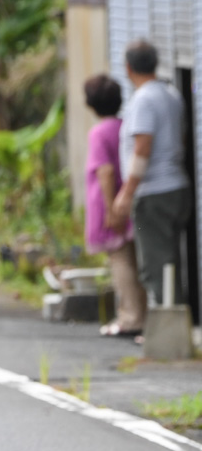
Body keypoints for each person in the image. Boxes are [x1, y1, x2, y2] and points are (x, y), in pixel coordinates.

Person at [112, 39, 192, 308]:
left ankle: (167, 331)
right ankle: (174, 320)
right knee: (170, 260)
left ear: (128, 67)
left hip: (154, 193)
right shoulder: (171, 94)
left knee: (156, 264)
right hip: (178, 186)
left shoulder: (144, 99)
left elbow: (143, 148)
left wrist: (126, 194)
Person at [84, 75, 146, 337]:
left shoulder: (99, 132)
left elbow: (106, 172)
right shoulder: (123, 125)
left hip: (110, 203)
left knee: (120, 260)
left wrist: (111, 208)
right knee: (133, 259)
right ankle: (136, 314)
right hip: (130, 199)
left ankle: (130, 318)